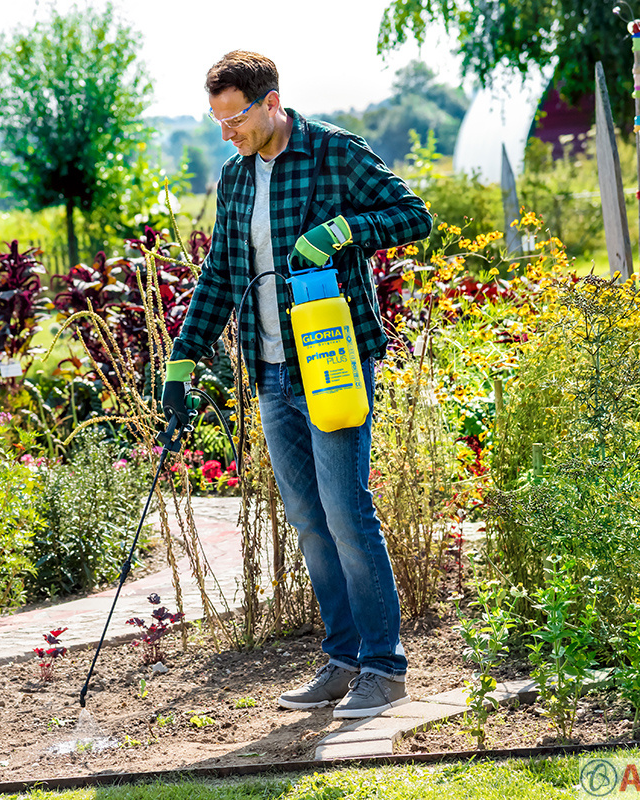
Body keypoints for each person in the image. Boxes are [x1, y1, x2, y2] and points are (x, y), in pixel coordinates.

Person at [161, 51, 432, 719]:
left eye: (236, 118)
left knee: (347, 513)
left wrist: (343, 231)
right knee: (310, 522)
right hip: (271, 370)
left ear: (271, 102)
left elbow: (413, 216)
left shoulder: (333, 152)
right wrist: (181, 361)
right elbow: (221, 274)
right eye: (218, 121)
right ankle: (342, 661)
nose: (227, 132)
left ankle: (384, 668)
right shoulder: (235, 176)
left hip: (333, 362)